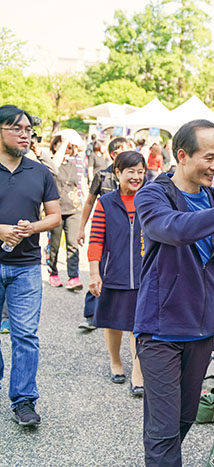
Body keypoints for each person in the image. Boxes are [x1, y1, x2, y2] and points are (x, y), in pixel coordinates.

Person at [134, 119, 214, 466]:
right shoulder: (153, 195)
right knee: (162, 431)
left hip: (201, 329)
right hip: (160, 330)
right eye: (209, 158)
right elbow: (175, 230)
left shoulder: (212, 197)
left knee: (184, 418)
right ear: (182, 155)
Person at [0, 105, 61, 426]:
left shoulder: (40, 172)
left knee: (25, 335)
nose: (25, 134)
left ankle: (24, 400)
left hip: (25, 265)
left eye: (28, 130)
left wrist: (32, 227)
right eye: (17, 129)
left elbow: (54, 216)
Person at [88, 151, 146, 395]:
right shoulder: (105, 203)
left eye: (140, 171)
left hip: (144, 272)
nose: (136, 177)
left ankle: (138, 371)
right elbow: (96, 240)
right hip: (114, 271)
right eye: (130, 171)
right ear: (117, 173)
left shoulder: (150, 199)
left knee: (139, 324)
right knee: (113, 322)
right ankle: (115, 361)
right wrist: (94, 272)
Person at [76, 136, 128, 331]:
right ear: (113, 154)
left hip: (126, 232)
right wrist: (81, 228)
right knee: (98, 268)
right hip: (104, 230)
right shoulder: (102, 176)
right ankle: (91, 315)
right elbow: (89, 202)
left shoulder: (135, 176)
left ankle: (117, 312)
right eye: (124, 150)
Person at [45, 133, 87, 291]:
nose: (67, 149)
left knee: (73, 243)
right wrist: (63, 141)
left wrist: (85, 202)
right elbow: (54, 166)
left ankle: (73, 277)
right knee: (54, 245)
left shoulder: (75, 163)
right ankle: (53, 273)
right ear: (55, 146)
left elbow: (81, 183)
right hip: (55, 210)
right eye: (64, 146)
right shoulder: (49, 163)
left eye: (70, 147)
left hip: (74, 209)